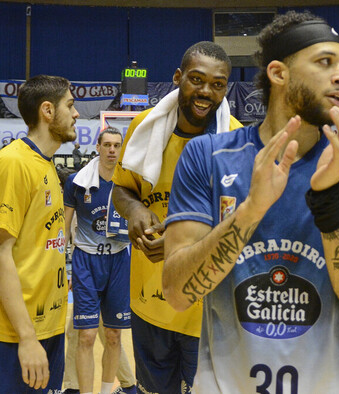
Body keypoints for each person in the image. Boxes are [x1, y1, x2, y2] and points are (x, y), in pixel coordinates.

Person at [163, 11, 339, 393]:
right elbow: (177, 293)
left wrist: (330, 201)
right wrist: (251, 209)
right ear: (278, 73)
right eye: (324, 62)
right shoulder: (207, 155)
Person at [111, 41, 242, 394]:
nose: (205, 92)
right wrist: (136, 209)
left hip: (210, 310)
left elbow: (245, 224)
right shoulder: (144, 127)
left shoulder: (236, 139)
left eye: (217, 84)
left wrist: (182, 243)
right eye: (196, 80)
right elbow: (121, 189)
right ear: (178, 78)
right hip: (150, 302)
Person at [0, 74, 79, 392]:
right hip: (12, 336)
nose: (76, 113)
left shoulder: (46, 165)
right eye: (70, 105)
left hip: (47, 328)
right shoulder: (14, 162)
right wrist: (27, 338)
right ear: (47, 110)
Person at [63, 128, 134, 394]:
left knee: (114, 335)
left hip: (118, 261)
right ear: (98, 147)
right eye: (107, 145)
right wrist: (66, 267)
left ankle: (106, 391)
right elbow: (65, 227)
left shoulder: (130, 181)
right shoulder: (76, 181)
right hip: (86, 262)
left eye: (117, 145)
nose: (112, 150)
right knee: (87, 335)